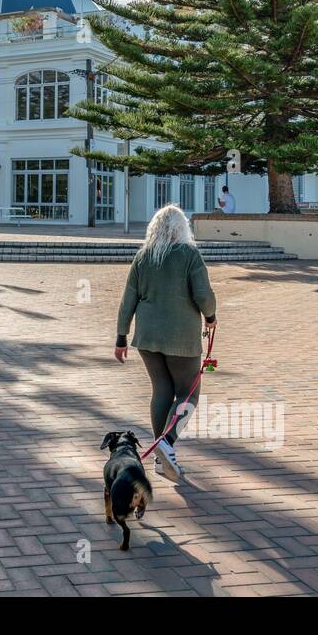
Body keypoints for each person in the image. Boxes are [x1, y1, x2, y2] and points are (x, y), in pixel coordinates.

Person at [114, 204, 217, 484]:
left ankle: (163, 457)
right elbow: (203, 295)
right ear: (182, 228)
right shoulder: (189, 254)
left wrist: (121, 337)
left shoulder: (144, 256)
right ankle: (167, 443)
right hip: (180, 336)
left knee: (161, 390)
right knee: (189, 394)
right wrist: (211, 316)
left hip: (147, 337)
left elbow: (127, 301)